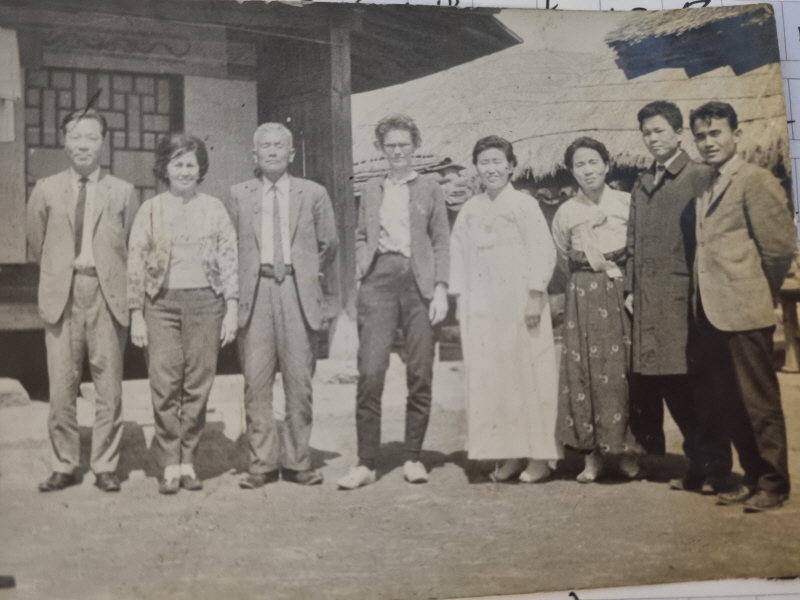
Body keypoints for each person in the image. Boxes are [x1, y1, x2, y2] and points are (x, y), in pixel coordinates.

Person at [689, 101, 796, 512]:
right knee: (730, 401)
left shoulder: (755, 180)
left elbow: (778, 248)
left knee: (760, 401)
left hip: (745, 308)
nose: (708, 142)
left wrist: (757, 289)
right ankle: (751, 478)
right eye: (701, 136)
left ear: (736, 134)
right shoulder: (705, 183)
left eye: (715, 133)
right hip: (712, 312)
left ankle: (774, 483)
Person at [26, 108, 140, 493]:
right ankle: (64, 464)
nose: (83, 145)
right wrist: (61, 272)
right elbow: (36, 244)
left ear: (103, 143)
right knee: (62, 386)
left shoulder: (122, 191)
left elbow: (130, 246)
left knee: (109, 386)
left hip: (107, 294)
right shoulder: (46, 189)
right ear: (64, 142)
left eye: (92, 137)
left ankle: (106, 465)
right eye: (76, 137)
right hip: (63, 293)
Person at [338, 114, 449, 490]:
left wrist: (441, 287)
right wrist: (363, 267)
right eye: (390, 146)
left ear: (415, 146)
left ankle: (413, 456)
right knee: (370, 372)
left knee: (420, 371)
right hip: (379, 281)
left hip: (419, 283)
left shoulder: (431, 187)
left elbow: (440, 240)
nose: (398, 151)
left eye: (404, 144)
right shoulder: (372, 188)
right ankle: (365, 462)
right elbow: (361, 234)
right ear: (381, 149)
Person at [625, 101, 732, 494]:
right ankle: (698, 464)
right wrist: (630, 289)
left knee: (699, 388)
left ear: (678, 133)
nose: (653, 139)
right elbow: (633, 242)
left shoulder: (699, 175)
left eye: (659, 131)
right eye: (647, 133)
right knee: (670, 387)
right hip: (650, 303)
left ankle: (717, 468)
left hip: (687, 302)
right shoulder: (642, 183)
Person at [227, 123, 338, 489]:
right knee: (256, 382)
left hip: (296, 290)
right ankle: (261, 463)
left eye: (279, 146)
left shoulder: (313, 193)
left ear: (291, 155)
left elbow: (329, 244)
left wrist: (304, 274)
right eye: (266, 146)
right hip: (256, 291)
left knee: (299, 381)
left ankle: (297, 461)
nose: (272, 151)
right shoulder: (239, 195)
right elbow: (231, 247)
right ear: (254, 155)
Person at [127, 134, 238, 494]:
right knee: (164, 383)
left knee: (198, 384)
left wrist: (232, 308)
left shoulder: (214, 209)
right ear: (166, 168)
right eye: (178, 164)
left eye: (191, 164)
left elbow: (229, 259)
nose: (185, 171)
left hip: (206, 305)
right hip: (160, 305)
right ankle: (169, 463)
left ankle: (188, 460)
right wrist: (136, 313)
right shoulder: (151, 209)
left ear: (200, 169)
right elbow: (135, 263)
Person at [450, 136, 560, 483]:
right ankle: (511, 453)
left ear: (511, 166)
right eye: (484, 162)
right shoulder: (471, 209)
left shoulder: (524, 205)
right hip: (484, 307)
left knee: (530, 376)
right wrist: (462, 301)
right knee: (496, 380)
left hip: (521, 302)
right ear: (477, 168)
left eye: (497, 161)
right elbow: (458, 256)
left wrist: (535, 294)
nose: (491, 168)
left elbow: (543, 250)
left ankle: (540, 457)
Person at [552, 136, 641, 482]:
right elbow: (563, 256)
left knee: (623, 371)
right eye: (579, 164)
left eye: (593, 162)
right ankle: (591, 456)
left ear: (607, 165)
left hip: (622, 291)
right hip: (583, 296)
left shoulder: (627, 203)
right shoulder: (566, 212)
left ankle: (626, 451)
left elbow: (638, 248)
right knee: (584, 372)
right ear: (571, 171)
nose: (587, 170)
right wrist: (588, 280)